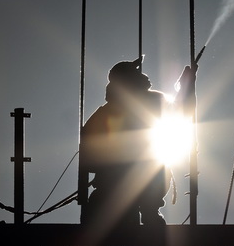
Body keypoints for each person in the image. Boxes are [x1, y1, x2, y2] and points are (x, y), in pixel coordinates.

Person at [78, 57, 194, 227]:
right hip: (120, 181)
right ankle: (149, 212)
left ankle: (145, 211)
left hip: (110, 184)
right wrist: (186, 87)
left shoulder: (103, 112)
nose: (144, 75)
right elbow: (182, 111)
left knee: (154, 168)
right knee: (156, 169)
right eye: (136, 72)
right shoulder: (150, 101)